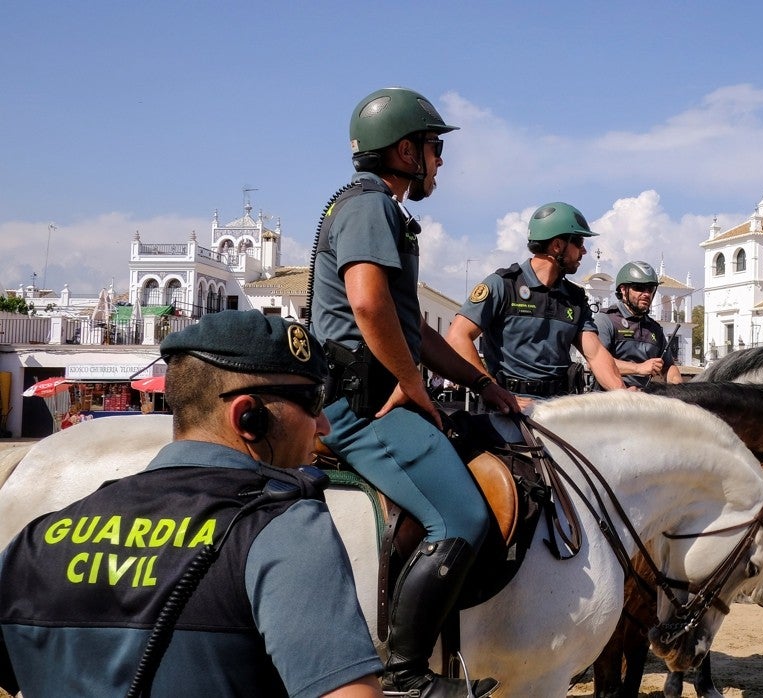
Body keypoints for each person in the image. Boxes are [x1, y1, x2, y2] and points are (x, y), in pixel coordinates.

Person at [0, 311, 385, 697]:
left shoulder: (36, 539)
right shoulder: (287, 529)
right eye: (313, 401)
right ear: (247, 417)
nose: (324, 426)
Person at [310, 86, 515, 697]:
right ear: (405, 151)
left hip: (377, 391)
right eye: (434, 147)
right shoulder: (371, 206)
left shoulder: (380, 209)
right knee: (463, 515)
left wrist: (481, 381)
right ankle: (405, 676)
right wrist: (412, 386)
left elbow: (414, 329)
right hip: (366, 405)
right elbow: (369, 305)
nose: (440, 161)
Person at [448, 202, 626, 407]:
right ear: (557, 245)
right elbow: (457, 337)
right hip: (508, 410)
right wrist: (490, 388)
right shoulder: (503, 286)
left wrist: (624, 395)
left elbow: (595, 354)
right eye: (578, 242)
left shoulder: (575, 298)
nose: (584, 251)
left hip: (559, 409)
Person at [594, 260, 682, 389]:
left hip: (643, 402)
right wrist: (638, 368)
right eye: (639, 288)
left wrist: (682, 393)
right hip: (609, 401)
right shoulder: (606, 320)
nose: (646, 294)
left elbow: (668, 367)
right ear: (623, 290)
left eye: (650, 289)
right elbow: (595, 362)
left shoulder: (654, 328)